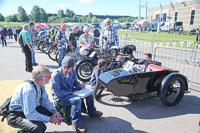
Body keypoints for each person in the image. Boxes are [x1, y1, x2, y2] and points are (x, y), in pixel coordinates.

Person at [50, 56, 103, 133]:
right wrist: (71, 92)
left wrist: (79, 85)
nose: (66, 70)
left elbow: (75, 82)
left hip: (70, 91)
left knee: (89, 92)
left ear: (72, 67)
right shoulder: (56, 75)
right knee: (77, 100)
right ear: (62, 66)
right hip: (60, 96)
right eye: (64, 67)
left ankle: (92, 112)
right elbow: (57, 92)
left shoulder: (72, 71)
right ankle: (76, 124)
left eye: (68, 68)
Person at [7, 65, 63, 133]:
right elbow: (30, 114)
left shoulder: (40, 85)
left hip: (27, 110)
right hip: (16, 115)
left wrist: (55, 112)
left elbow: (45, 101)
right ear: (40, 78)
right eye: (48, 76)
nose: (50, 78)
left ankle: (27, 128)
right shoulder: (29, 90)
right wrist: (50, 119)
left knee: (51, 112)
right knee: (39, 128)